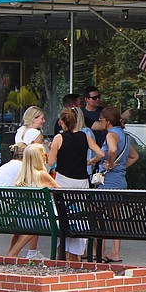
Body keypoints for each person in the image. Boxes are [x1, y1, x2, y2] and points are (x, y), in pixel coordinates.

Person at [47, 108, 105, 262]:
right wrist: (90, 161)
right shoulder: (85, 136)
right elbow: (101, 153)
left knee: (62, 217)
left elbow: (51, 162)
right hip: (81, 182)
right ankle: (76, 254)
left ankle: (62, 251)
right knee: (79, 217)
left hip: (63, 181)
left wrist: (50, 150)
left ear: (61, 122)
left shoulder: (59, 138)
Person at [97, 107, 139, 262]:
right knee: (115, 217)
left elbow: (113, 149)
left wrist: (111, 163)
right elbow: (135, 156)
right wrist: (121, 166)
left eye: (101, 120)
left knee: (98, 215)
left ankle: (100, 253)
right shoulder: (125, 136)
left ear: (107, 121)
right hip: (120, 180)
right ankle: (115, 252)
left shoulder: (111, 134)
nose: (100, 122)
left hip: (108, 182)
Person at [6, 143, 59, 259]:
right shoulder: (41, 174)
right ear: (39, 158)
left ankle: (11, 253)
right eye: (44, 154)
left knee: (28, 222)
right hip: (38, 218)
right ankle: (14, 252)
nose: (46, 156)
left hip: (20, 217)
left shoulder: (22, 175)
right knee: (38, 223)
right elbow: (60, 192)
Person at [13, 106, 46, 259]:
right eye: (41, 118)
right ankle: (32, 252)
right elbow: (38, 158)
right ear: (34, 119)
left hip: (19, 173)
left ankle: (13, 251)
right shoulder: (36, 134)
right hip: (31, 173)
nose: (43, 121)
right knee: (36, 213)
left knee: (23, 216)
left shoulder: (20, 131)